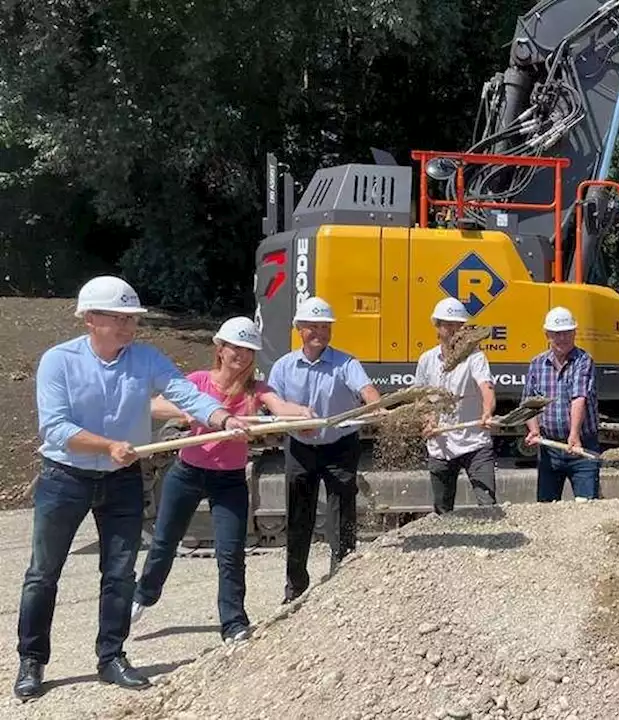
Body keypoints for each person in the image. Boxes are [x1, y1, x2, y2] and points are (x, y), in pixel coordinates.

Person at [16, 276, 251, 700]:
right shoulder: (59, 361)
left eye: (133, 319)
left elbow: (183, 392)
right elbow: (54, 427)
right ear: (91, 318)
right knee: (43, 573)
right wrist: (108, 445)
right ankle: (32, 660)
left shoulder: (145, 359)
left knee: (120, 572)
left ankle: (111, 657)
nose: (129, 327)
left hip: (122, 480)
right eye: (120, 318)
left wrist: (221, 419)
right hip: (64, 477)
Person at [130, 317, 314, 644]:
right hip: (187, 475)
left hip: (229, 481)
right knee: (164, 543)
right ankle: (142, 597)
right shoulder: (199, 382)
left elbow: (280, 407)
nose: (241, 356)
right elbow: (155, 404)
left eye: (247, 350)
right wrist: (182, 412)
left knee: (231, 553)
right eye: (235, 348)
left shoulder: (257, 390)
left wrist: (301, 413)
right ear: (220, 349)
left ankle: (233, 624)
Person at [267, 296, 382, 603]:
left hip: (340, 446)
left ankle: (342, 583)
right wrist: (294, 424)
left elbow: (367, 390)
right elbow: (273, 407)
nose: (319, 332)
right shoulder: (283, 368)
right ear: (299, 329)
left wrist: (378, 406)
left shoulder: (346, 363)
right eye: (312, 326)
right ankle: (295, 589)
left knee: (342, 516)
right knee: (298, 517)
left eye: (324, 326)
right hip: (300, 448)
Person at [415, 298, 498, 514]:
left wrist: (487, 412)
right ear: (437, 326)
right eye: (447, 325)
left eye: (457, 325)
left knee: (487, 504)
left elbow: (486, 388)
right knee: (442, 509)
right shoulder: (427, 360)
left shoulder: (475, 358)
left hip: (474, 443)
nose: (453, 330)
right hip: (440, 445)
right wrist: (428, 421)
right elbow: (421, 398)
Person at [522, 307, 601, 502]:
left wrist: (573, 435)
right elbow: (529, 404)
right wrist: (534, 430)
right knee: (547, 508)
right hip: (549, 448)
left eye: (567, 333)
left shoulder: (583, 360)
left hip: (582, 445)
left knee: (586, 506)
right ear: (547, 334)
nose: (562, 338)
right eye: (557, 334)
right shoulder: (537, 364)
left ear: (574, 333)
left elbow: (579, 397)